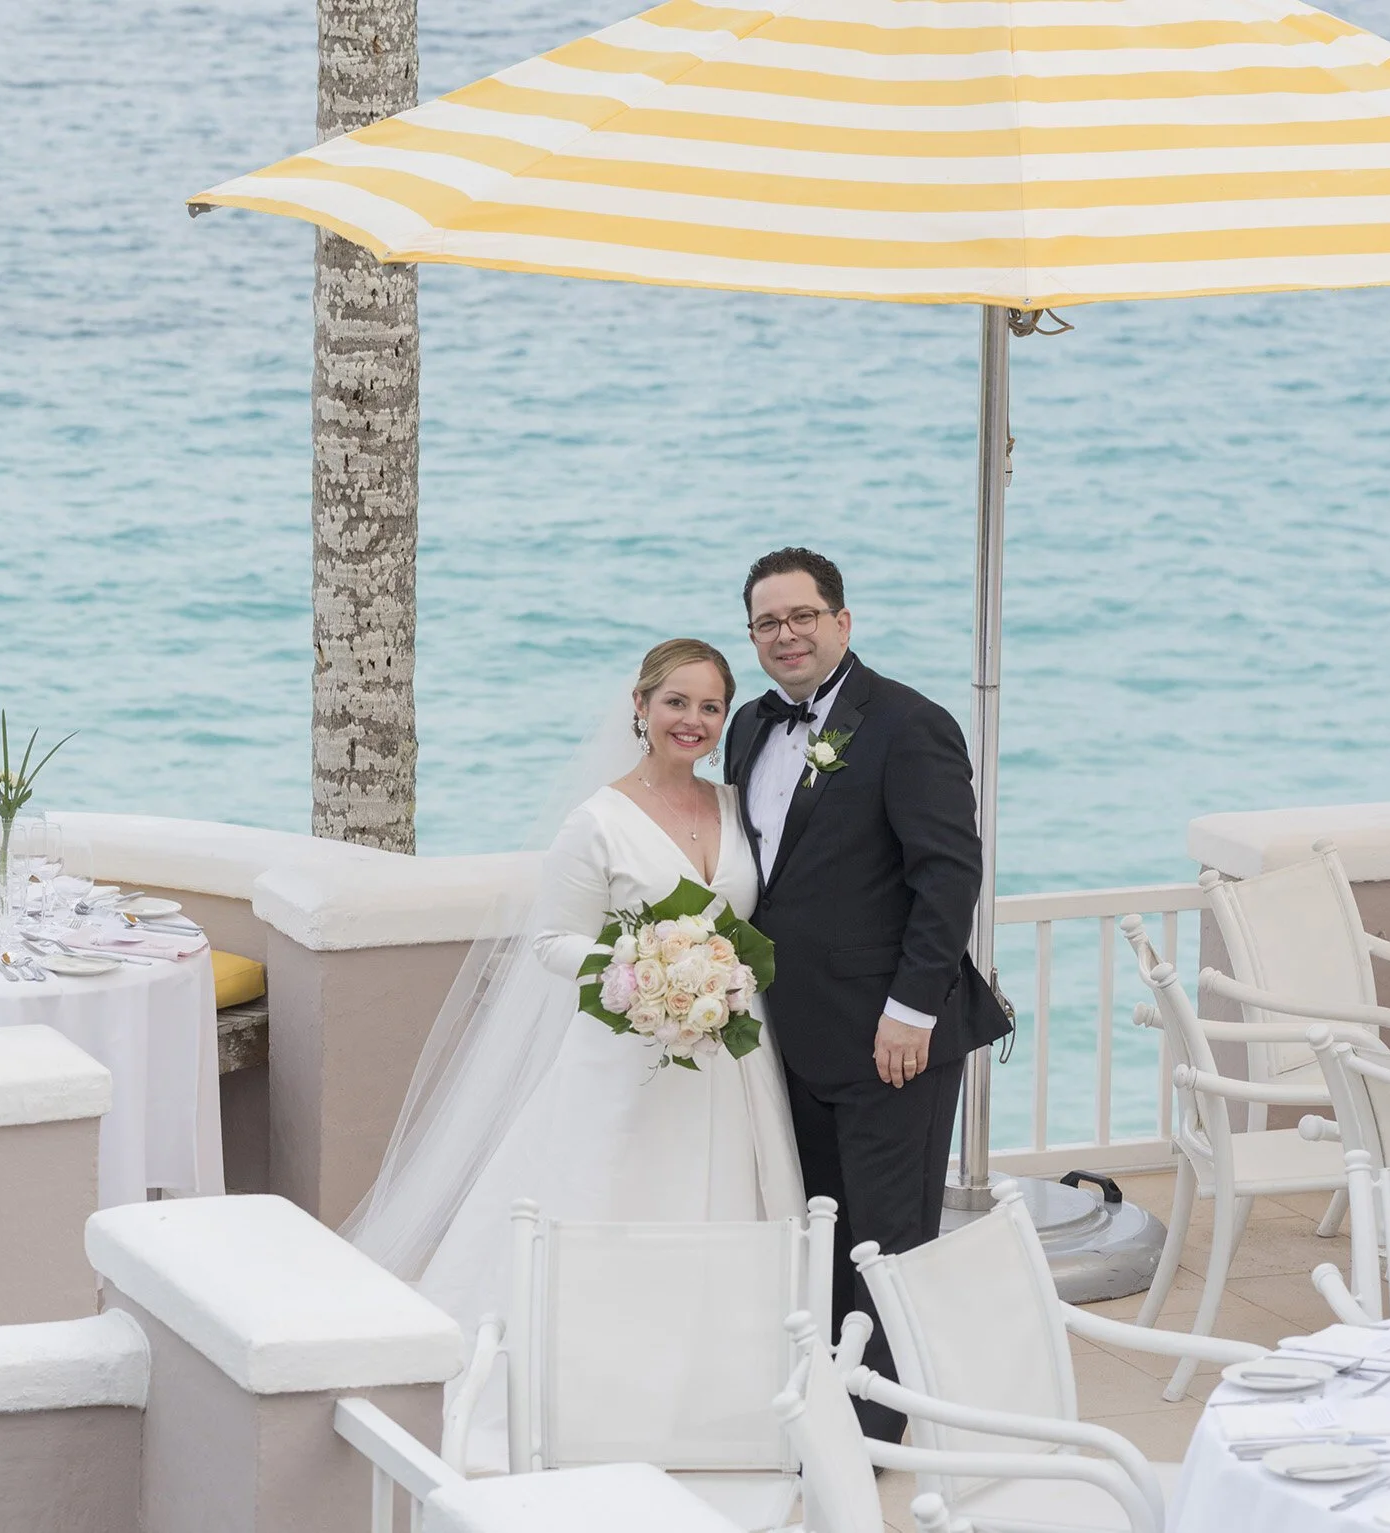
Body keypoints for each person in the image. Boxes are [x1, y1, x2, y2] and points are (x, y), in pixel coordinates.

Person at [341, 638, 806, 1468]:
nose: (692, 721)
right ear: (640, 705)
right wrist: (644, 970)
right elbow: (552, 941)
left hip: (728, 1062)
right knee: (612, 1212)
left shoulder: (736, 807)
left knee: (725, 1214)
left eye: (709, 707)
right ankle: (587, 1400)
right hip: (623, 1060)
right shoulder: (596, 820)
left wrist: (704, 981)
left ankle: (709, 1405)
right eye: (676, 702)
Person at [723, 547, 1011, 1442]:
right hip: (789, 1036)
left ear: (843, 623)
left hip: (893, 1040)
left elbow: (948, 874)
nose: (787, 634)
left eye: (803, 615)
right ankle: (823, 1406)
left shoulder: (906, 723)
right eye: (768, 622)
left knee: (885, 1245)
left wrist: (911, 1011)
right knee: (822, 1228)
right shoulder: (745, 727)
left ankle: (876, 1439)